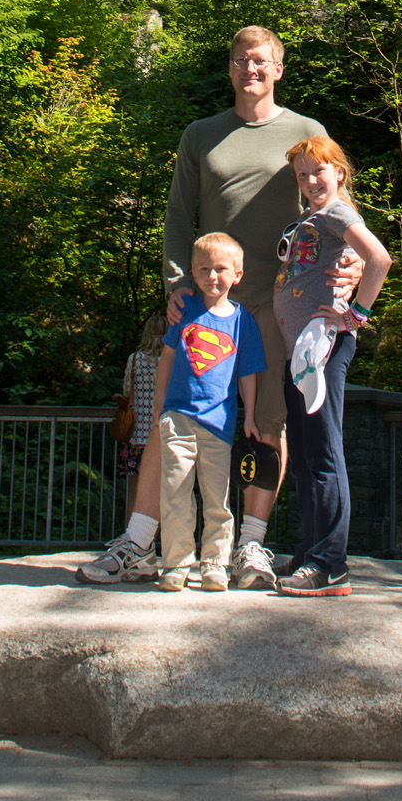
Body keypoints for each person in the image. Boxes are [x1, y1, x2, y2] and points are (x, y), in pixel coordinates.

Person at [77, 24, 359, 588]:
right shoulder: (201, 134)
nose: (250, 69)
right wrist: (177, 284)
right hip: (209, 303)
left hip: (282, 306)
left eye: (261, 61)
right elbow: (179, 215)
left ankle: (250, 547)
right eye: (240, 60)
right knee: (173, 415)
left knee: (268, 424)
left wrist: (350, 263)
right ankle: (139, 543)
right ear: (229, 68)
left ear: (278, 69)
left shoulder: (306, 131)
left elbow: (336, 198)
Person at [273, 137, 392, 597]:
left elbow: (379, 258)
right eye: (302, 175)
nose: (310, 181)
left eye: (318, 171)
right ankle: (310, 552)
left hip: (324, 348)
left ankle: (331, 564)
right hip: (300, 353)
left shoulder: (338, 213)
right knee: (304, 455)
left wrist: (355, 316)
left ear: (339, 172)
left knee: (323, 451)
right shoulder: (311, 218)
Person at [152, 232, 264, 590]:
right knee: (175, 492)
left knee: (218, 497)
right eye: (203, 269)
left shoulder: (243, 320)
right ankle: (176, 563)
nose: (212, 276)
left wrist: (249, 416)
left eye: (220, 269)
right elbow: (167, 357)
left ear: (237, 274)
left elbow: (248, 372)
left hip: (219, 423)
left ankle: (216, 563)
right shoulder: (185, 309)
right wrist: (160, 404)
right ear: (192, 273)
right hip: (179, 417)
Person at [119, 314, 165, 520]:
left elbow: (127, 390)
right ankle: (158, 535)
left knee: (134, 491)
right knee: (162, 491)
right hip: (161, 435)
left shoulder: (135, 359)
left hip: (136, 434)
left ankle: (131, 531)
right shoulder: (169, 361)